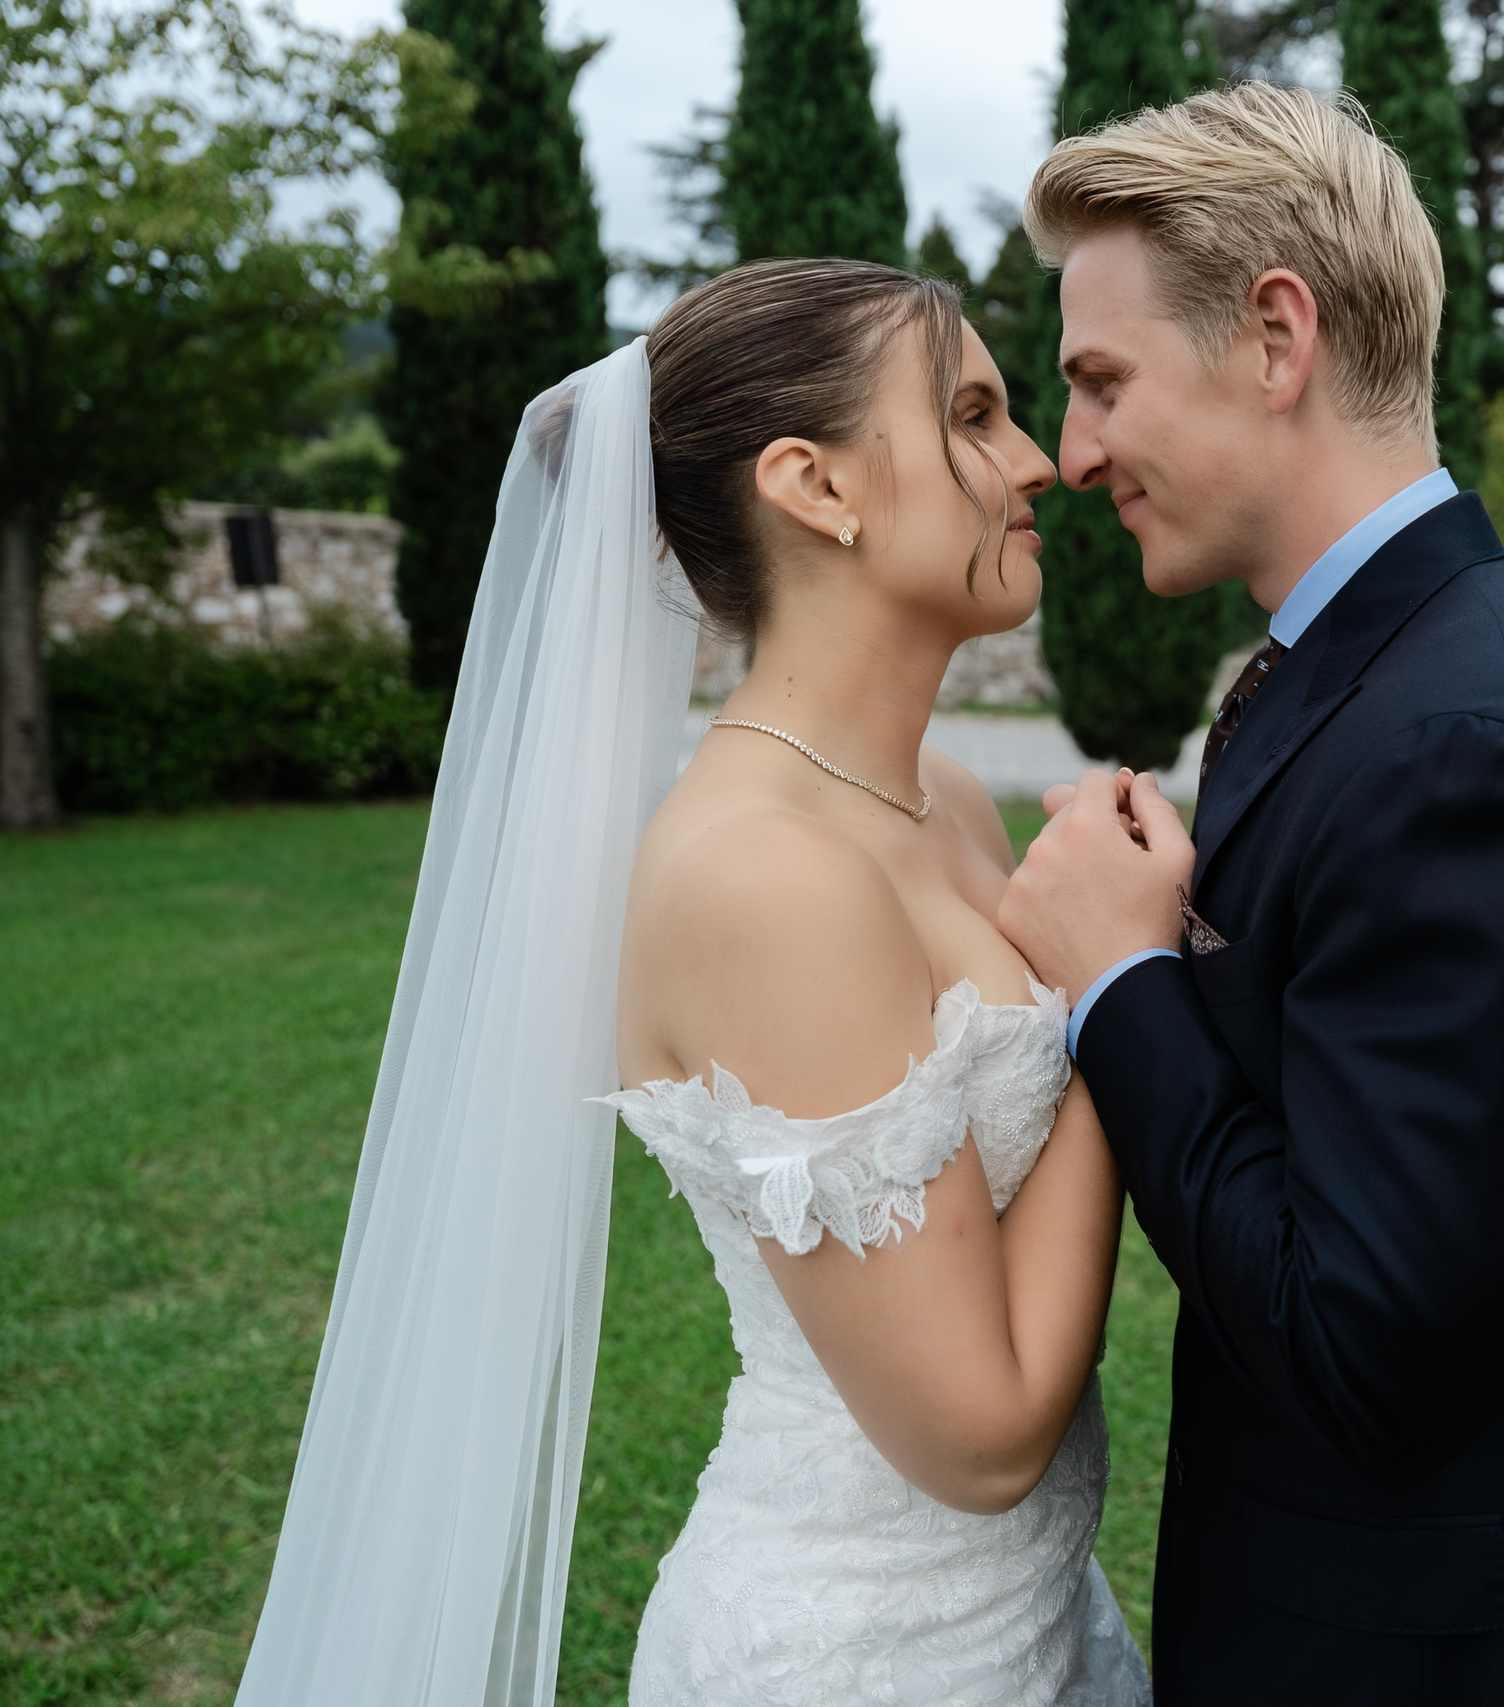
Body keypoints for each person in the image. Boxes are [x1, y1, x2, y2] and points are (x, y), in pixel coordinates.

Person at [237, 262, 1148, 1707]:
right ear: (815, 486)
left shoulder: (953, 800)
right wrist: (1125, 991)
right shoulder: (761, 878)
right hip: (864, 1658)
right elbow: (979, 1439)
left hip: (1036, 1623)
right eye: (974, 414)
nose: (1038, 458)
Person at [997, 84, 1504, 1706]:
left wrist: (1125, 985)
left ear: (1274, 335)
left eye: (1101, 380)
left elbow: (1365, 1346)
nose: (1078, 449)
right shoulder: (1393, 667)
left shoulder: (1469, 746)